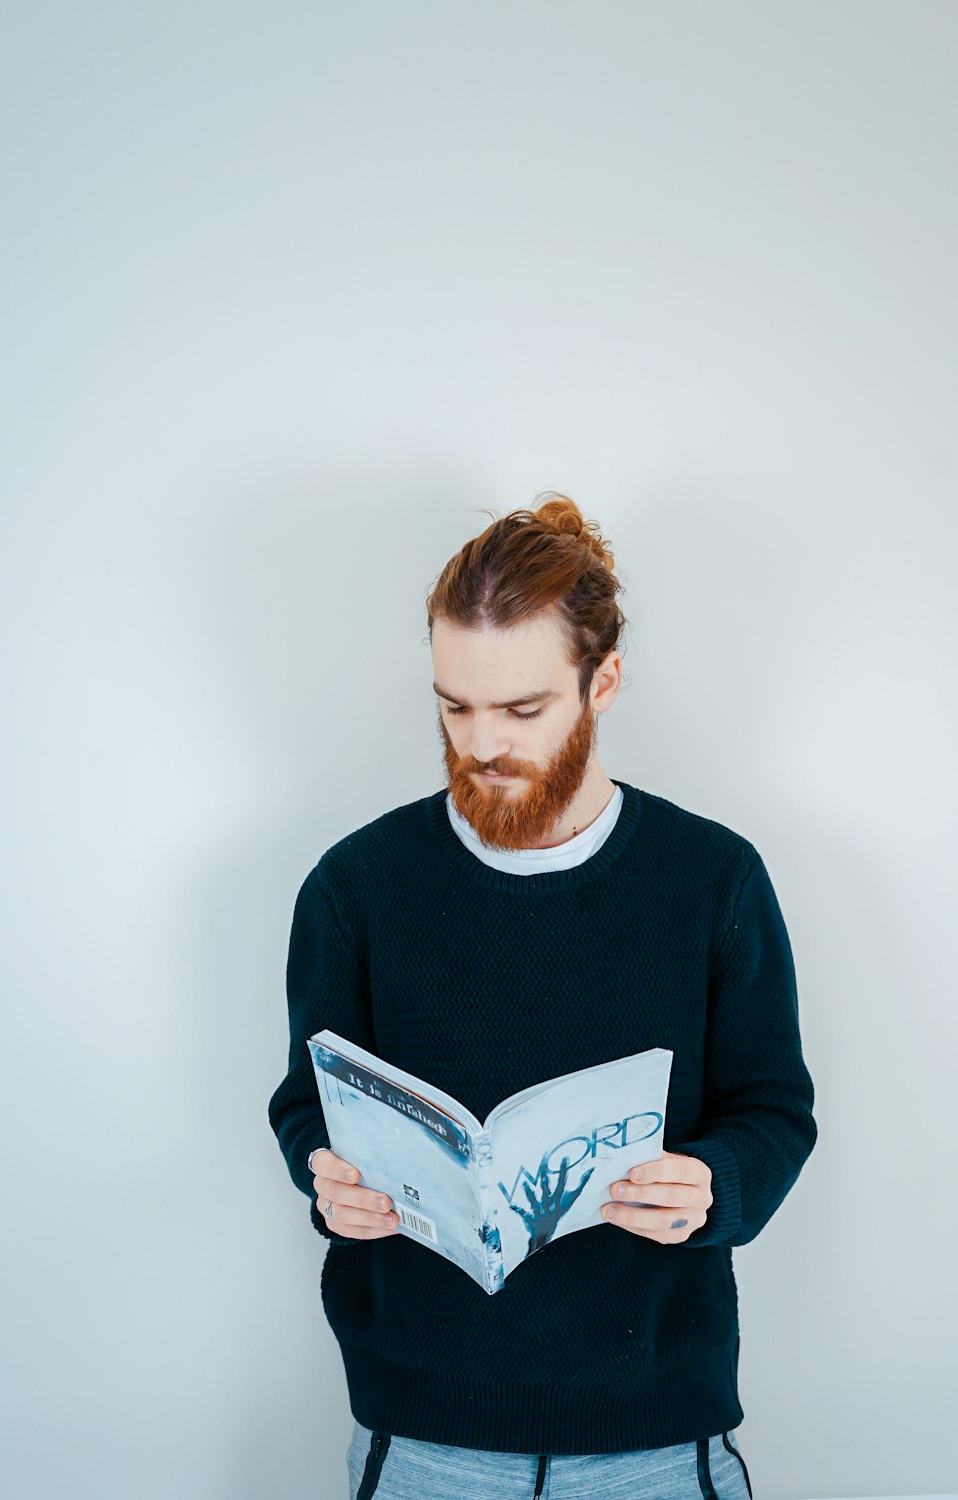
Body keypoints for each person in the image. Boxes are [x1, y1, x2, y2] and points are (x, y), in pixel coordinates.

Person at [268, 493, 817, 1499]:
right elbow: (308, 1098)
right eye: (454, 705)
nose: (482, 744)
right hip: (420, 1442)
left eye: (521, 710)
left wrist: (714, 1185)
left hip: (656, 1440)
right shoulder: (356, 887)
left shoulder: (712, 880)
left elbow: (775, 1110)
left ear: (602, 681)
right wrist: (327, 1177)